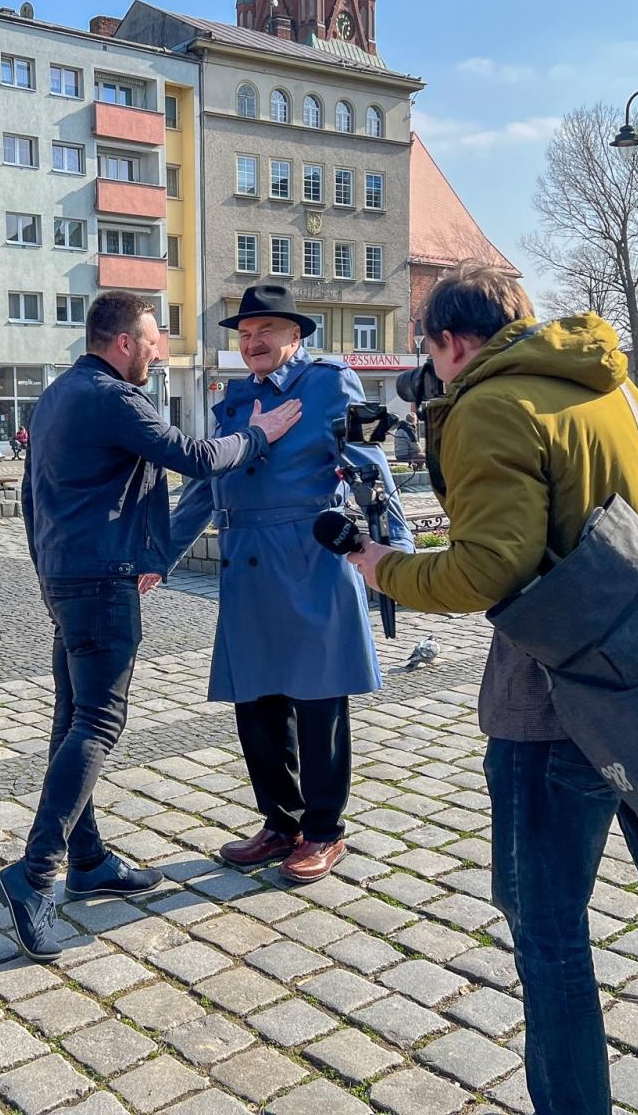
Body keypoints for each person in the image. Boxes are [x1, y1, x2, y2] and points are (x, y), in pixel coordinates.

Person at [347, 265, 638, 1115]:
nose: (430, 370)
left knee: (548, 934)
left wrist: (385, 568)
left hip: (552, 695)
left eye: (428, 352)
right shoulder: (610, 387)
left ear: (452, 341)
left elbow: (491, 569)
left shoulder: (488, 405)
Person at [0, 290, 303, 961]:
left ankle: (88, 860)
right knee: (99, 722)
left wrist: (56, 568)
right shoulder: (113, 396)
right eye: (153, 338)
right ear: (123, 342)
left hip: (66, 573)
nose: (160, 349)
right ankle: (34, 872)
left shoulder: (57, 394)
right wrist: (262, 433)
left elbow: (30, 496)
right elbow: (190, 454)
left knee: (72, 718)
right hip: (100, 579)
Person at [167, 282, 410, 883]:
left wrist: (396, 547)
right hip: (246, 559)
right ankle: (281, 822)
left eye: (265, 332)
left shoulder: (330, 383)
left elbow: (370, 461)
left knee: (319, 696)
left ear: (295, 335)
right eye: (245, 334)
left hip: (309, 556)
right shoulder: (233, 400)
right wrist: (159, 553)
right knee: (257, 698)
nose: (252, 342)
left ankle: (325, 831)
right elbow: (206, 486)